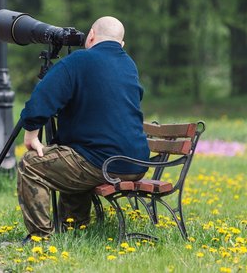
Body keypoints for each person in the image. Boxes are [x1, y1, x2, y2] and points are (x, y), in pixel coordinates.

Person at [16, 16, 150, 240]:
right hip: (136, 162)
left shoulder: (79, 60)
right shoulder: (129, 64)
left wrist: (31, 134)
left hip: (101, 162)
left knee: (31, 165)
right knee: (74, 152)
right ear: (121, 44)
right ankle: (74, 229)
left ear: (91, 36)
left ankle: (40, 238)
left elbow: (43, 97)